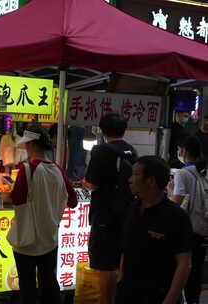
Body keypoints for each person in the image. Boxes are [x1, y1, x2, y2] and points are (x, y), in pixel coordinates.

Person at [9, 126, 78, 304]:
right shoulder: (58, 169)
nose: (24, 148)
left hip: (27, 241)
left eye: (26, 145)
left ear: (31, 144)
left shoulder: (27, 169)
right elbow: (73, 201)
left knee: (28, 286)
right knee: (49, 282)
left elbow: (17, 199)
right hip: (50, 238)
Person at [116, 156, 192, 304]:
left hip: (158, 295)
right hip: (128, 293)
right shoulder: (132, 209)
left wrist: (169, 300)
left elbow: (184, 263)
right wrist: (120, 281)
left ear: (151, 181)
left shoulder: (176, 216)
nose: (130, 179)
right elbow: (127, 249)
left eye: (136, 174)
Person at [82, 113, 137, 304]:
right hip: (128, 213)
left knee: (105, 265)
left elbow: (91, 182)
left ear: (102, 131)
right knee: (120, 261)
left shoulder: (102, 150)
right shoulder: (131, 150)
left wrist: (85, 182)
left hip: (105, 214)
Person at [169, 136, 206, 304]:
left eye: (179, 150)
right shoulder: (204, 171)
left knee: (182, 269)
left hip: (187, 229)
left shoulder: (183, 173)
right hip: (202, 228)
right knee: (196, 272)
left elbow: (177, 203)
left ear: (184, 151)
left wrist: (169, 193)